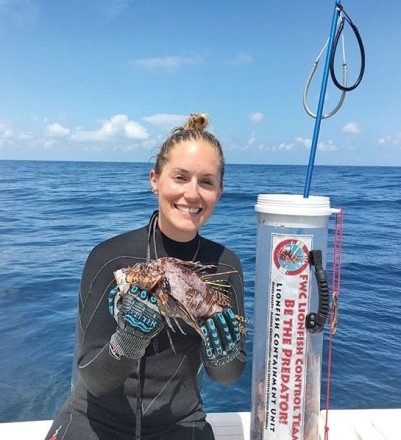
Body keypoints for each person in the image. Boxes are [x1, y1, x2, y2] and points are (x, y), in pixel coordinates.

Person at [45, 113, 246, 440]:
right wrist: (128, 340)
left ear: (219, 192)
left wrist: (222, 353)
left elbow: (227, 375)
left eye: (206, 182)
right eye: (180, 177)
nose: (192, 194)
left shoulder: (224, 266)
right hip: (94, 421)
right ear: (155, 180)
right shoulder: (109, 257)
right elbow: (94, 380)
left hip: (182, 424)